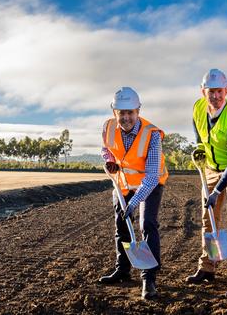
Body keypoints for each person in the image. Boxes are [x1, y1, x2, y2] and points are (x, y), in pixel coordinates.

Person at [186, 68, 227, 298]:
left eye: (219, 91)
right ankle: (208, 266)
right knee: (208, 219)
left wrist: (216, 190)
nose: (215, 96)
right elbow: (199, 135)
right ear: (203, 91)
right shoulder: (197, 107)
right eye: (210, 91)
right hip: (211, 168)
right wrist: (198, 148)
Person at [98, 86, 169, 300]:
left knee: (146, 224)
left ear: (138, 111)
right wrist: (109, 160)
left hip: (150, 184)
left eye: (131, 112)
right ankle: (123, 269)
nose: (126, 117)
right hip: (123, 184)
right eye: (122, 113)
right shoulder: (108, 127)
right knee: (122, 226)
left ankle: (149, 278)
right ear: (114, 112)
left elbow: (151, 177)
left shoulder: (152, 135)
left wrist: (134, 203)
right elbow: (106, 149)